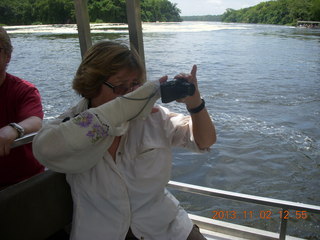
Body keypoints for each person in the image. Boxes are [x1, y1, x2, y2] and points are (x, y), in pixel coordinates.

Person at [33, 41, 216, 240]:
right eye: (120, 87)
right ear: (92, 85)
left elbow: (204, 141)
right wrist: (125, 109)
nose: (130, 93)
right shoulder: (72, 126)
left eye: (136, 84)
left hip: (166, 228)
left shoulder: (152, 117)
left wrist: (195, 102)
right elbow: (45, 148)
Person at [0, 26, 44, 189]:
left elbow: (35, 121)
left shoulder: (24, 91)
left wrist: (13, 129)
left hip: (23, 183)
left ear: (7, 56)